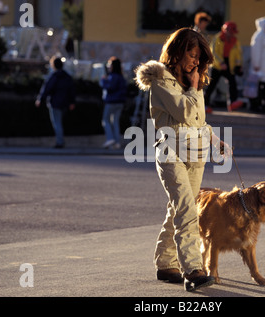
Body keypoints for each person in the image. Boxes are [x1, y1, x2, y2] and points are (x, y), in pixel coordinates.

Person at [135, 28, 231, 292]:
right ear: (176, 52)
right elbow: (186, 112)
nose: (195, 61)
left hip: (196, 153)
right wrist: (195, 87)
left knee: (178, 209)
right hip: (171, 153)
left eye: (199, 57)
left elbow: (199, 121)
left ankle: (166, 264)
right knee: (187, 210)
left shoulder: (191, 81)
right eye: (191, 54)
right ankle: (193, 269)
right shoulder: (161, 81)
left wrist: (215, 141)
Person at [36, 57, 76, 149]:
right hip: (65, 103)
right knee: (60, 122)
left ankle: (60, 142)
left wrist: (40, 99)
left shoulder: (54, 76)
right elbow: (72, 90)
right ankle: (60, 140)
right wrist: (72, 102)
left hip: (55, 102)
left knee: (57, 123)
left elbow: (47, 89)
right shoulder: (67, 76)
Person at [205, 21, 243, 111]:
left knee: (232, 83)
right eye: (230, 32)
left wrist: (238, 66)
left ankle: (232, 103)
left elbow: (238, 54)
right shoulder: (217, 39)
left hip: (229, 64)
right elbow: (213, 53)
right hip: (217, 66)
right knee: (211, 85)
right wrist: (221, 63)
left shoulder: (235, 41)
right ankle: (204, 104)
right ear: (225, 31)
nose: (231, 34)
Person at [99, 56, 127, 149]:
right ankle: (117, 142)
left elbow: (110, 87)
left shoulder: (112, 76)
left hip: (111, 101)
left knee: (105, 120)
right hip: (120, 102)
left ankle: (110, 138)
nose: (108, 67)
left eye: (110, 65)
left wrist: (103, 80)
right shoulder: (121, 77)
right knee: (115, 122)